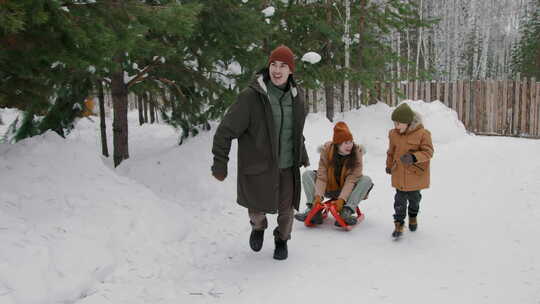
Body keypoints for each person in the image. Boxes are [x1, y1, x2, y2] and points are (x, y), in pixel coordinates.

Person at [211, 45, 309, 260]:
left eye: (283, 66)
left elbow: (295, 131)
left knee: (286, 211)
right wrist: (220, 162)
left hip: (286, 166)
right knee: (256, 207)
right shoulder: (251, 97)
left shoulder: (298, 96)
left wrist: (301, 152)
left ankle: (282, 239)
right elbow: (225, 131)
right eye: (273, 64)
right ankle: (258, 227)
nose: (277, 70)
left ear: (291, 70)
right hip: (258, 165)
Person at [295, 122, 373, 226]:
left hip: (347, 191)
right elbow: (322, 177)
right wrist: (318, 196)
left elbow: (351, 180)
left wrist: (342, 199)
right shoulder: (326, 151)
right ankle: (313, 210)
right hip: (329, 188)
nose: (349, 145)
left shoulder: (356, 153)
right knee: (307, 174)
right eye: (345, 142)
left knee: (366, 180)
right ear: (337, 144)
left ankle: (347, 211)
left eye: (350, 142)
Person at [385, 103, 434, 237]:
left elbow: (428, 152)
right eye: (394, 123)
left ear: (408, 122)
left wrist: (414, 157)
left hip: (414, 175)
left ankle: (413, 216)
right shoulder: (393, 134)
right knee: (399, 200)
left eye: (399, 123)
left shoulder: (423, 134)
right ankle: (399, 224)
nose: (396, 126)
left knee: (414, 199)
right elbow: (391, 152)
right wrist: (389, 165)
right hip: (399, 173)